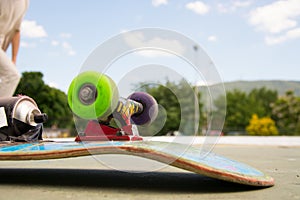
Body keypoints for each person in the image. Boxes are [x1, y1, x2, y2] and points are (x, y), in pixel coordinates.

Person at [0, 0, 29, 98]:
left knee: (10, 73)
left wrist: (13, 60)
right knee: (12, 76)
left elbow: (17, 31)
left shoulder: (24, 3)